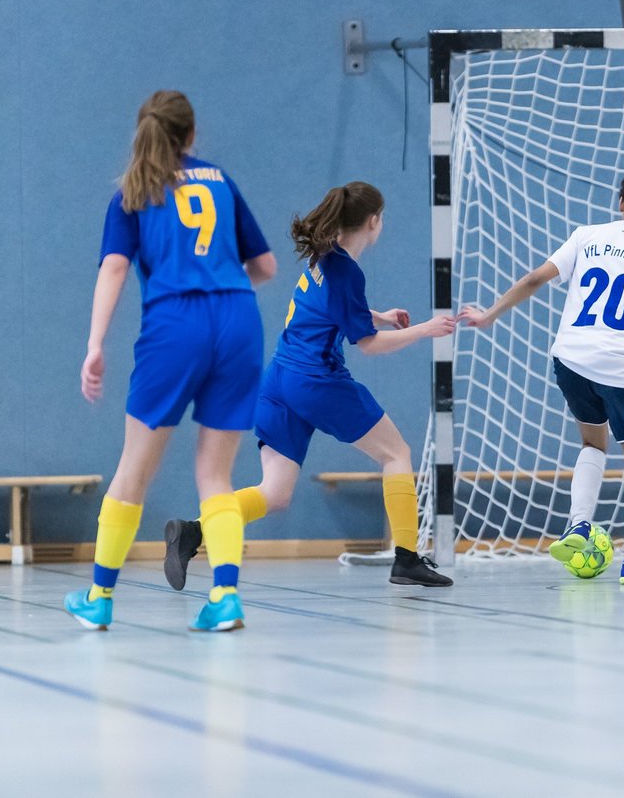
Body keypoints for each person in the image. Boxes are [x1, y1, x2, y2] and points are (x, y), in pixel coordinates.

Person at [163, 182, 457, 590]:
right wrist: (426, 330)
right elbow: (368, 346)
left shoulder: (325, 258)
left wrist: (380, 315)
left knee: (275, 493)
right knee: (397, 453)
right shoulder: (347, 270)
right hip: (316, 381)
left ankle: (193, 531)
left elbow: (331, 308)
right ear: (373, 222)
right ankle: (406, 559)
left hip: (278, 382)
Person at [66, 90, 277, 632]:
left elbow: (114, 270)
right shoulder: (220, 181)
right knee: (216, 472)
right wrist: (223, 288)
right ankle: (225, 595)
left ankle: (99, 596)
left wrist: (94, 345)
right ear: (191, 134)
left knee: (135, 468)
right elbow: (267, 266)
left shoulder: (133, 191)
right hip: (238, 320)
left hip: (174, 325)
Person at [459, 167, 624, 584]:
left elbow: (534, 278)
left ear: (621, 202)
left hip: (568, 359)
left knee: (592, 441)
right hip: (619, 368)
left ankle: (578, 525)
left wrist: (489, 315)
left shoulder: (587, 235)